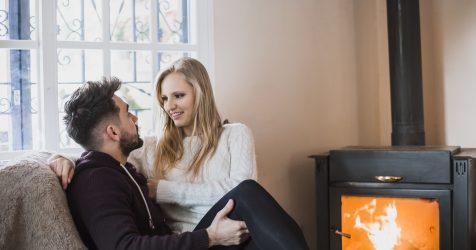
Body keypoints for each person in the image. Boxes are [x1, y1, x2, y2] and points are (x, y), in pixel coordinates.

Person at [61, 77, 309, 249]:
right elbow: (126, 247)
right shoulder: (96, 181)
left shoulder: (122, 168)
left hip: (190, 242)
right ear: (114, 133)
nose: (135, 117)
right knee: (246, 194)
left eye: (178, 95)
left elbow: (89, 151)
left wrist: (61, 158)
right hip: (198, 242)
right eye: (128, 113)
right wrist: (209, 237)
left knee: (260, 227)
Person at [51, 57, 257, 234]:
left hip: (237, 230)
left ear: (201, 94)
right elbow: (101, 151)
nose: (169, 106)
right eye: (164, 98)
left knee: (249, 192)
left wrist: (164, 190)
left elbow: (241, 194)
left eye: (179, 96)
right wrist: (64, 159)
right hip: (195, 240)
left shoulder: (236, 135)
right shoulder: (151, 147)